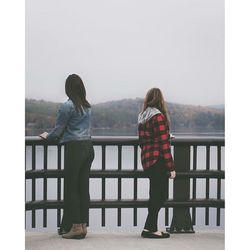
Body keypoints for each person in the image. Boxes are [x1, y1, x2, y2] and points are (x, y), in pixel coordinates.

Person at [40, 74, 94, 239]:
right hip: (88, 148)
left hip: (75, 149)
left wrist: (47, 136)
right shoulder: (87, 106)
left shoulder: (68, 106)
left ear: (68, 88)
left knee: (71, 188)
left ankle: (76, 227)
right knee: (83, 188)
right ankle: (83, 225)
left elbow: (58, 131)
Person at [138, 88, 176, 239]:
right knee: (160, 195)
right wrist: (171, 167)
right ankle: (150, 229)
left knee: (156, 194)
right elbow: (164, 144)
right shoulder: (158, 117)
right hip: (158, 160)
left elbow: (143, 141)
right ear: (160, 100)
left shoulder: (143, 116)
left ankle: (149, 228)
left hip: (147, 160)